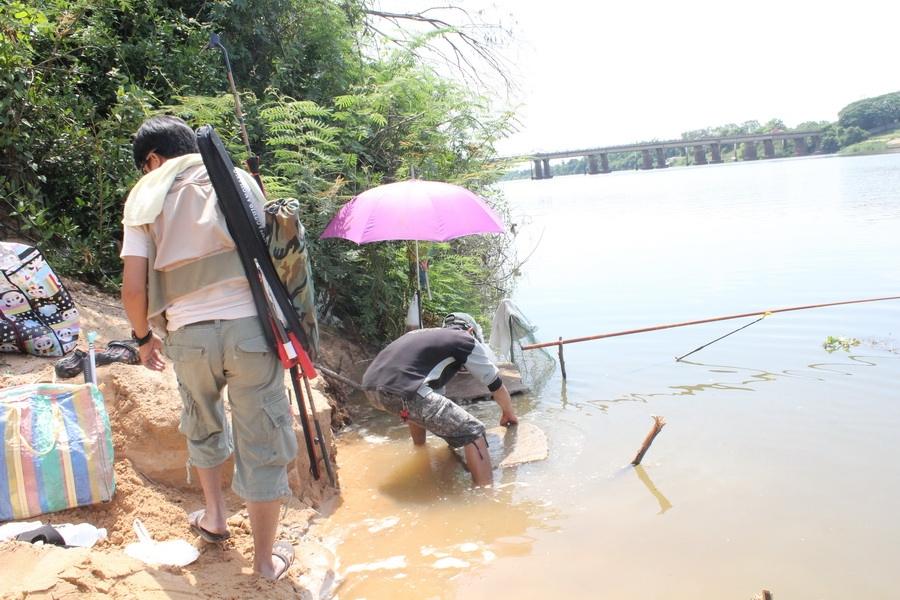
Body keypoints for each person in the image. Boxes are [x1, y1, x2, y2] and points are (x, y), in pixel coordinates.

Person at [119, 115, 295, 581]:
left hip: (187, 337)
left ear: (153, 159)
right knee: (262, 438)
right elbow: (270, 248)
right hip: (250, 331)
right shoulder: (234, 177)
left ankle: (215, 518)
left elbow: (133, 290)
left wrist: (142, 339)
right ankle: (263, 563)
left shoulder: (144, 195)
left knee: (202, 423)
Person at [362, 312, 518, 486]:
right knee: (473, 431)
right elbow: (495, 383)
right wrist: (508, 413)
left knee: (419, 402)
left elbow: (428, 405)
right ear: (471, 330)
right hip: (403, 390)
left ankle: (420, 450)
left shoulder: (426, 337)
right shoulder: (464, 339)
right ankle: (487, 494)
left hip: (371, 389)